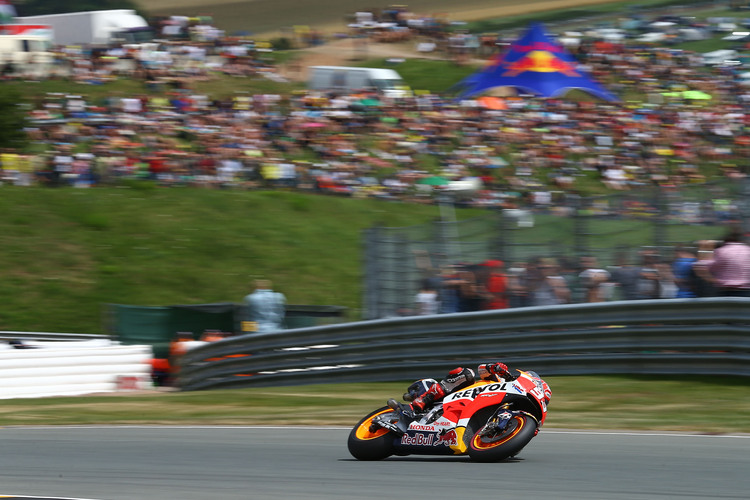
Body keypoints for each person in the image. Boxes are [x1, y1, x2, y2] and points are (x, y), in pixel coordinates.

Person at [392, 362, 517, 418]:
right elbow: (481, 369)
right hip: (461, 397)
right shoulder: (500, 380)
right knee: (468, 373)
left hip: (468, 412)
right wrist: (494, 367)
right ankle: (422, 400)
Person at [697, 228, 750, 297]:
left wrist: (704, 249)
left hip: (727, 291)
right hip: (746, 291)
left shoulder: (721, 251)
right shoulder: (748, 250)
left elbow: (704, 267)